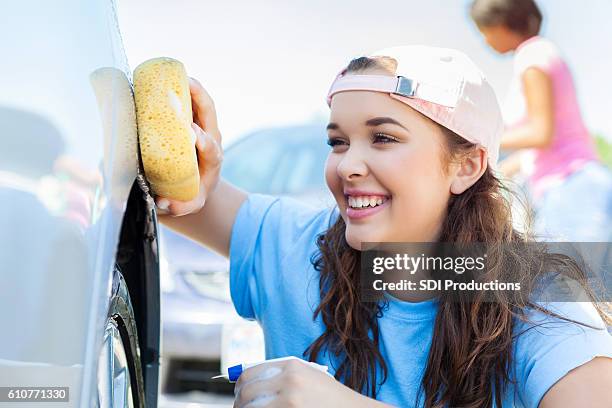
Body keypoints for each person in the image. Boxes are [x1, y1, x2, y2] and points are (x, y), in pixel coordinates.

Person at [154, 45, 612, 407]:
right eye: (337, 141)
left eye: (384, 138)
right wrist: (192, 156)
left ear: (468, 166)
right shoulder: (296, 244)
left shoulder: (539, 294)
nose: (349, 164)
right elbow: (179, 194)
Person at [470, 0, 612, 242]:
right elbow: (544, 143)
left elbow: (540, 133)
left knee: (568, 279)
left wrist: (478, 140)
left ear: (502, 24)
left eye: (485, 31)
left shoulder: (532, 56)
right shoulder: (540, 53)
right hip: (569, 186)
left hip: (572, 188)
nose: (485, 40)